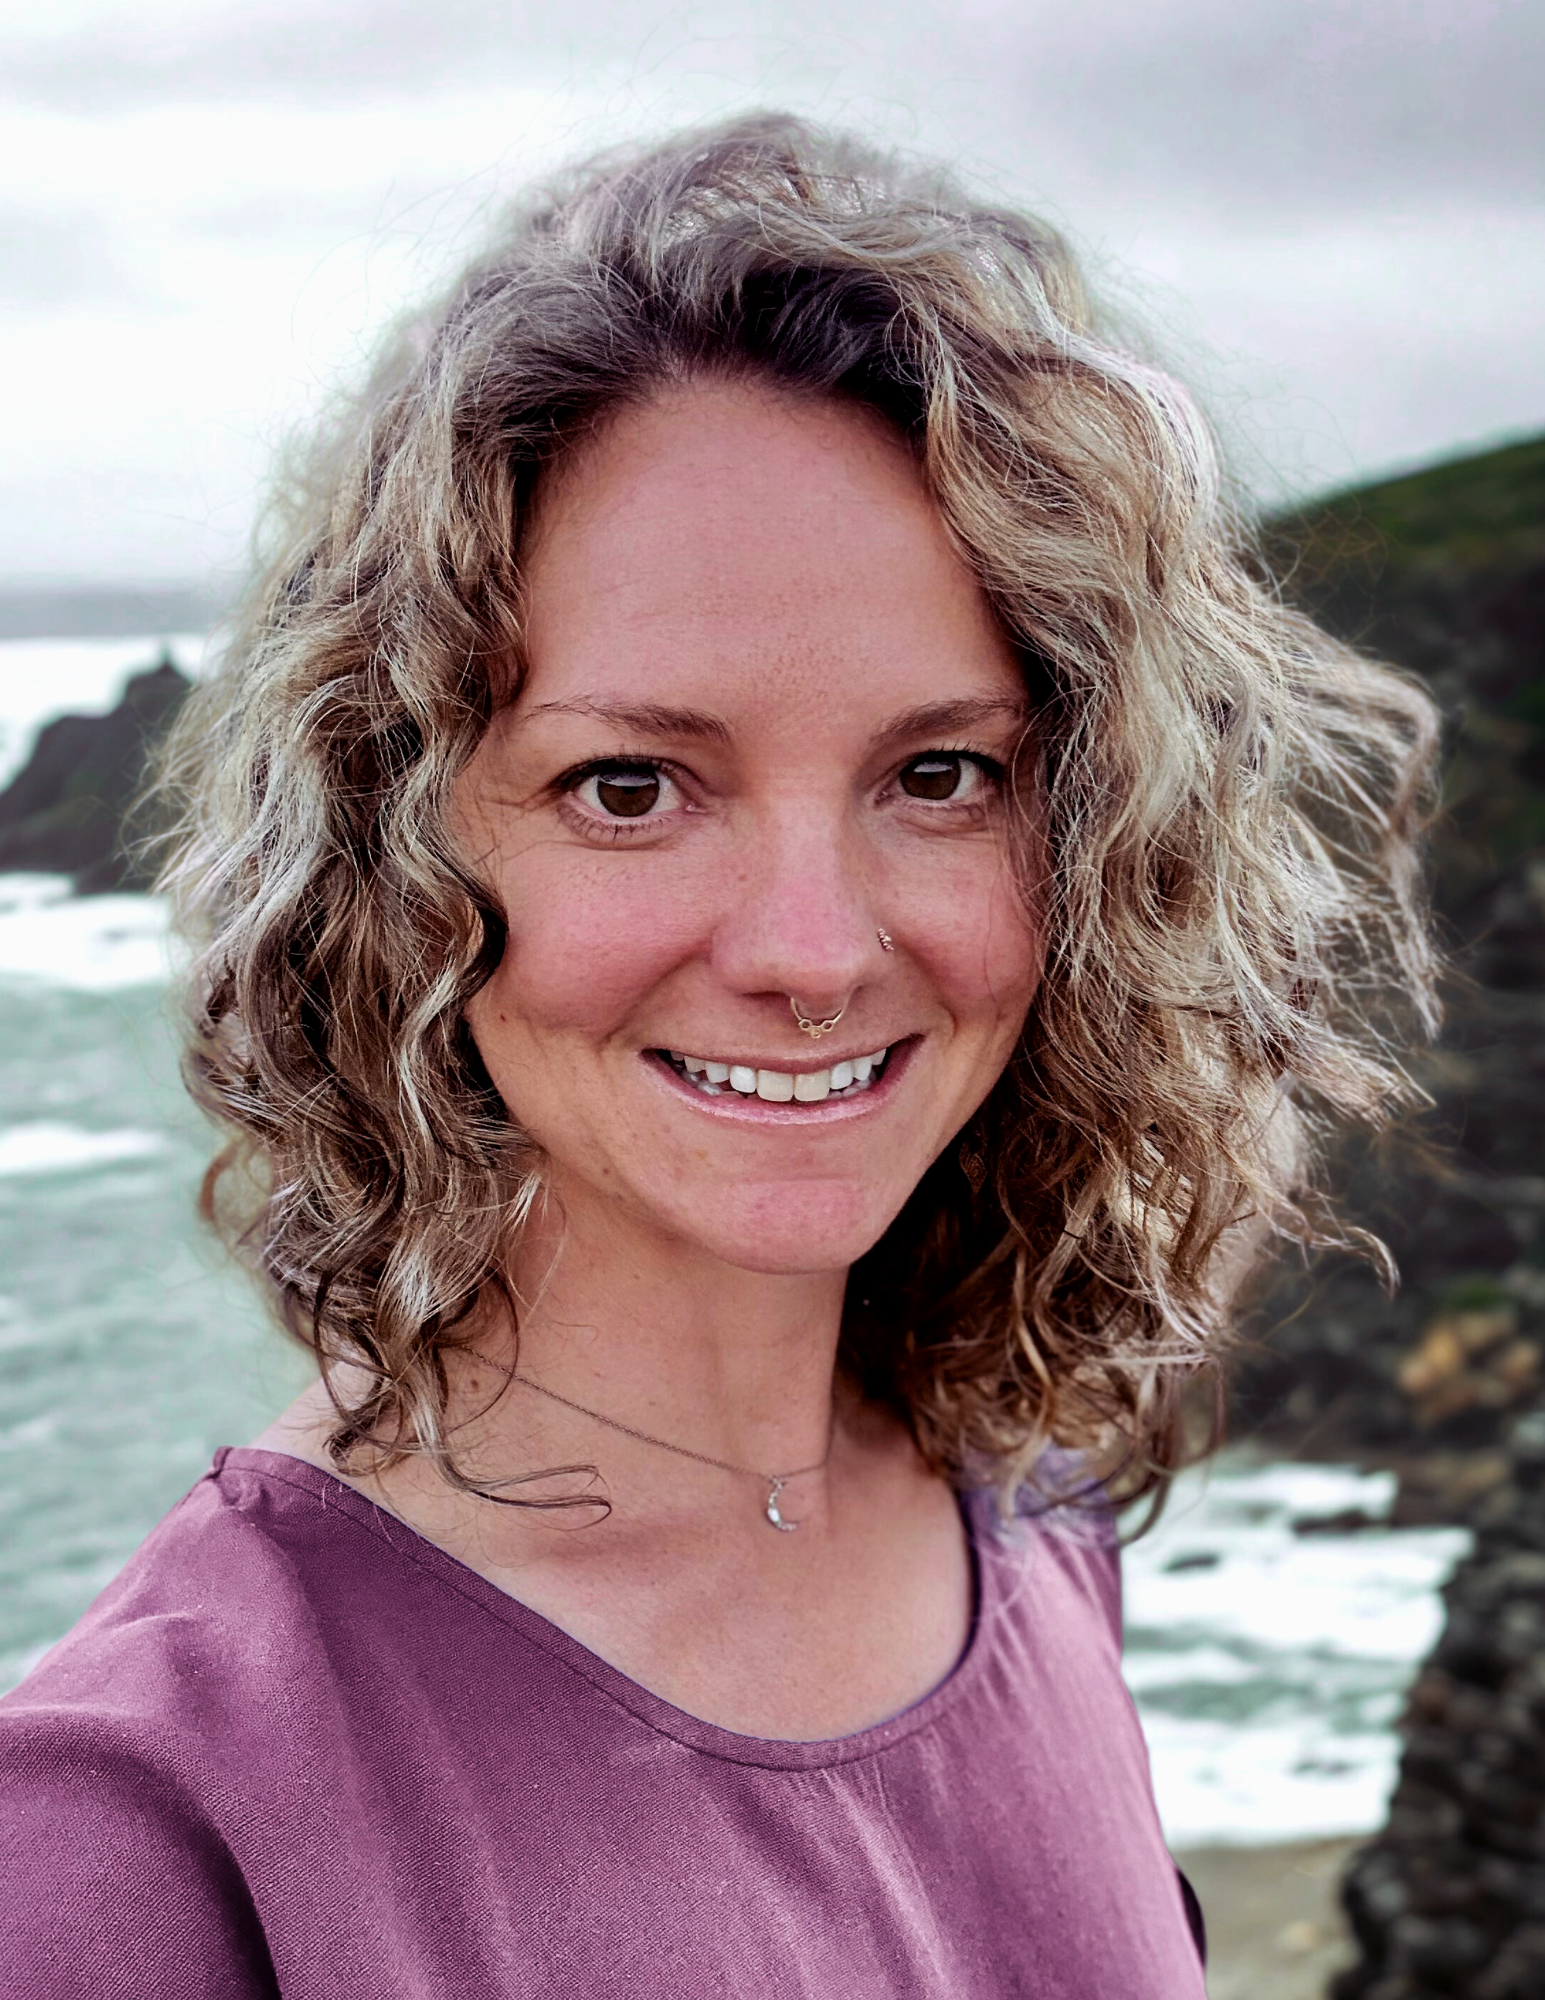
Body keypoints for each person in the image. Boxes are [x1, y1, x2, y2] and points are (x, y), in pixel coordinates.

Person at [0, 116, 1440, 1997]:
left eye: (942, 776)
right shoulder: (126, 1844)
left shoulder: (1028, 1512)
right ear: (395, 844)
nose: (813, 951)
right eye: (630, 787)